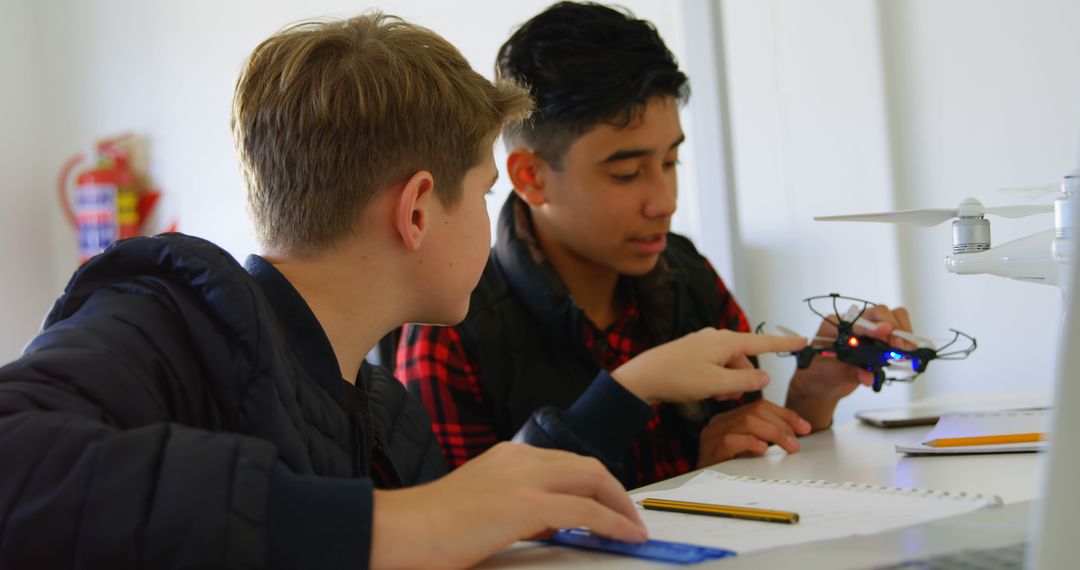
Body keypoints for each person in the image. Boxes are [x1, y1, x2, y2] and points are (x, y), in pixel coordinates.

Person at [0, 13, 808, 569]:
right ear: (419, 208)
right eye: (486, 187)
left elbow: (478, 517)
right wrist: (393, 528)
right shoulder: (168, 319)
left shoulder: (384, 414)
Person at [397, 1, 913, 489]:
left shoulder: (686, 273)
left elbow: (752, 462)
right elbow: (462, 534)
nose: (664, 201)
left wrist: (808, 402)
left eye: (670, 162)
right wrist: (664, 437)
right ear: (530, 177)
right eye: (626, 173)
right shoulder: (451, 331)